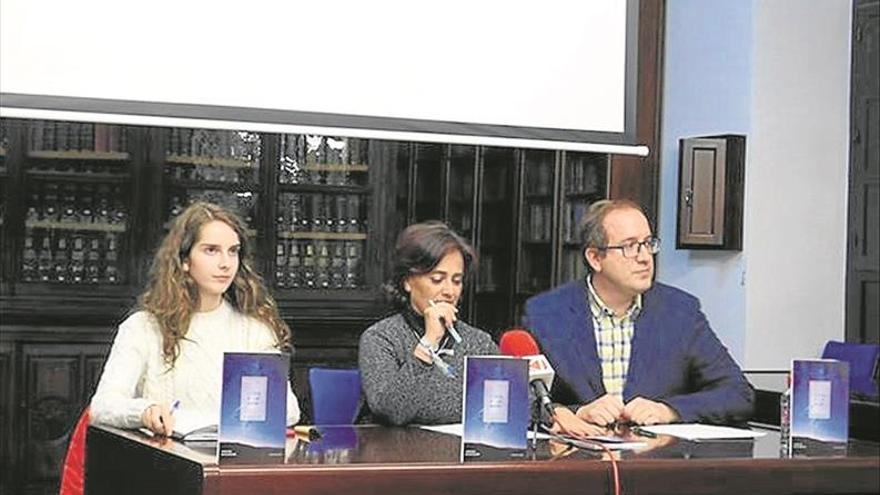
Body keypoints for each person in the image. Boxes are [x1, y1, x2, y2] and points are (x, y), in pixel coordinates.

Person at [522, 200, 753, 433]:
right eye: (629, 246)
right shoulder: (546, 314)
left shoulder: (680, 313)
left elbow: (737, 393)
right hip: (576, 460)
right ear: (595, 258)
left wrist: (668, 410)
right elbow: (518, 398)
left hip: (656, 460)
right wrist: (577, 412)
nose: (644, 257)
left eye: (648, 244)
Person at [90, 201, 300, 435]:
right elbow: (102, 406)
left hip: (230, 461)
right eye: (211, 250)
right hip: (164, 461)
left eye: (233, 251)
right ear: (184, 260)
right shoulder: (142, 327)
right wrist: (144, 411)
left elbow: (289, 410)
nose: (225, 263)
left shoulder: (255, 329)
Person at [359, 221, 498, 425]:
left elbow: (519, 401)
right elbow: (391, 411)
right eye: (437, 279)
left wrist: (553, 410)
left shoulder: (478, 342)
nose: (450, 291)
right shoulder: (381, 338)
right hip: (398, 453)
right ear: (407, 281)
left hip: (459, 454)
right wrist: (429, 341)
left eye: (457, 281)